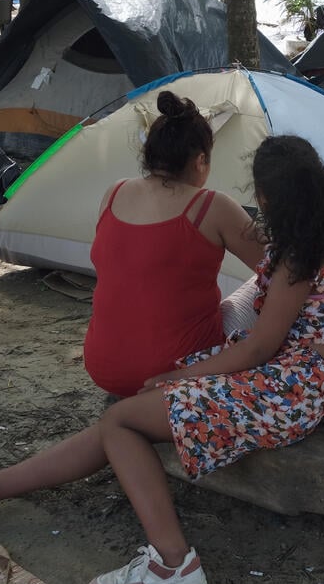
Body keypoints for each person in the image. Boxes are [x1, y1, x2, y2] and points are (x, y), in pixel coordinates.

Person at [0, 134, 324, 584]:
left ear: (266, 197)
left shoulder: (298, 259)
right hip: (293, 385)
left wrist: (187, 373)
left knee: (121, 421)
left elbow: (259, 346)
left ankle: (173, 564)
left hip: (285, 392)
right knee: (122, 422)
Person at [83, 90, 262, 399]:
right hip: (176, 368)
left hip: (104, 367)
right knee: (264, 285)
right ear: (201, 160)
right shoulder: (211, 205)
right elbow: (277, 266)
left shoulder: (114, 193)